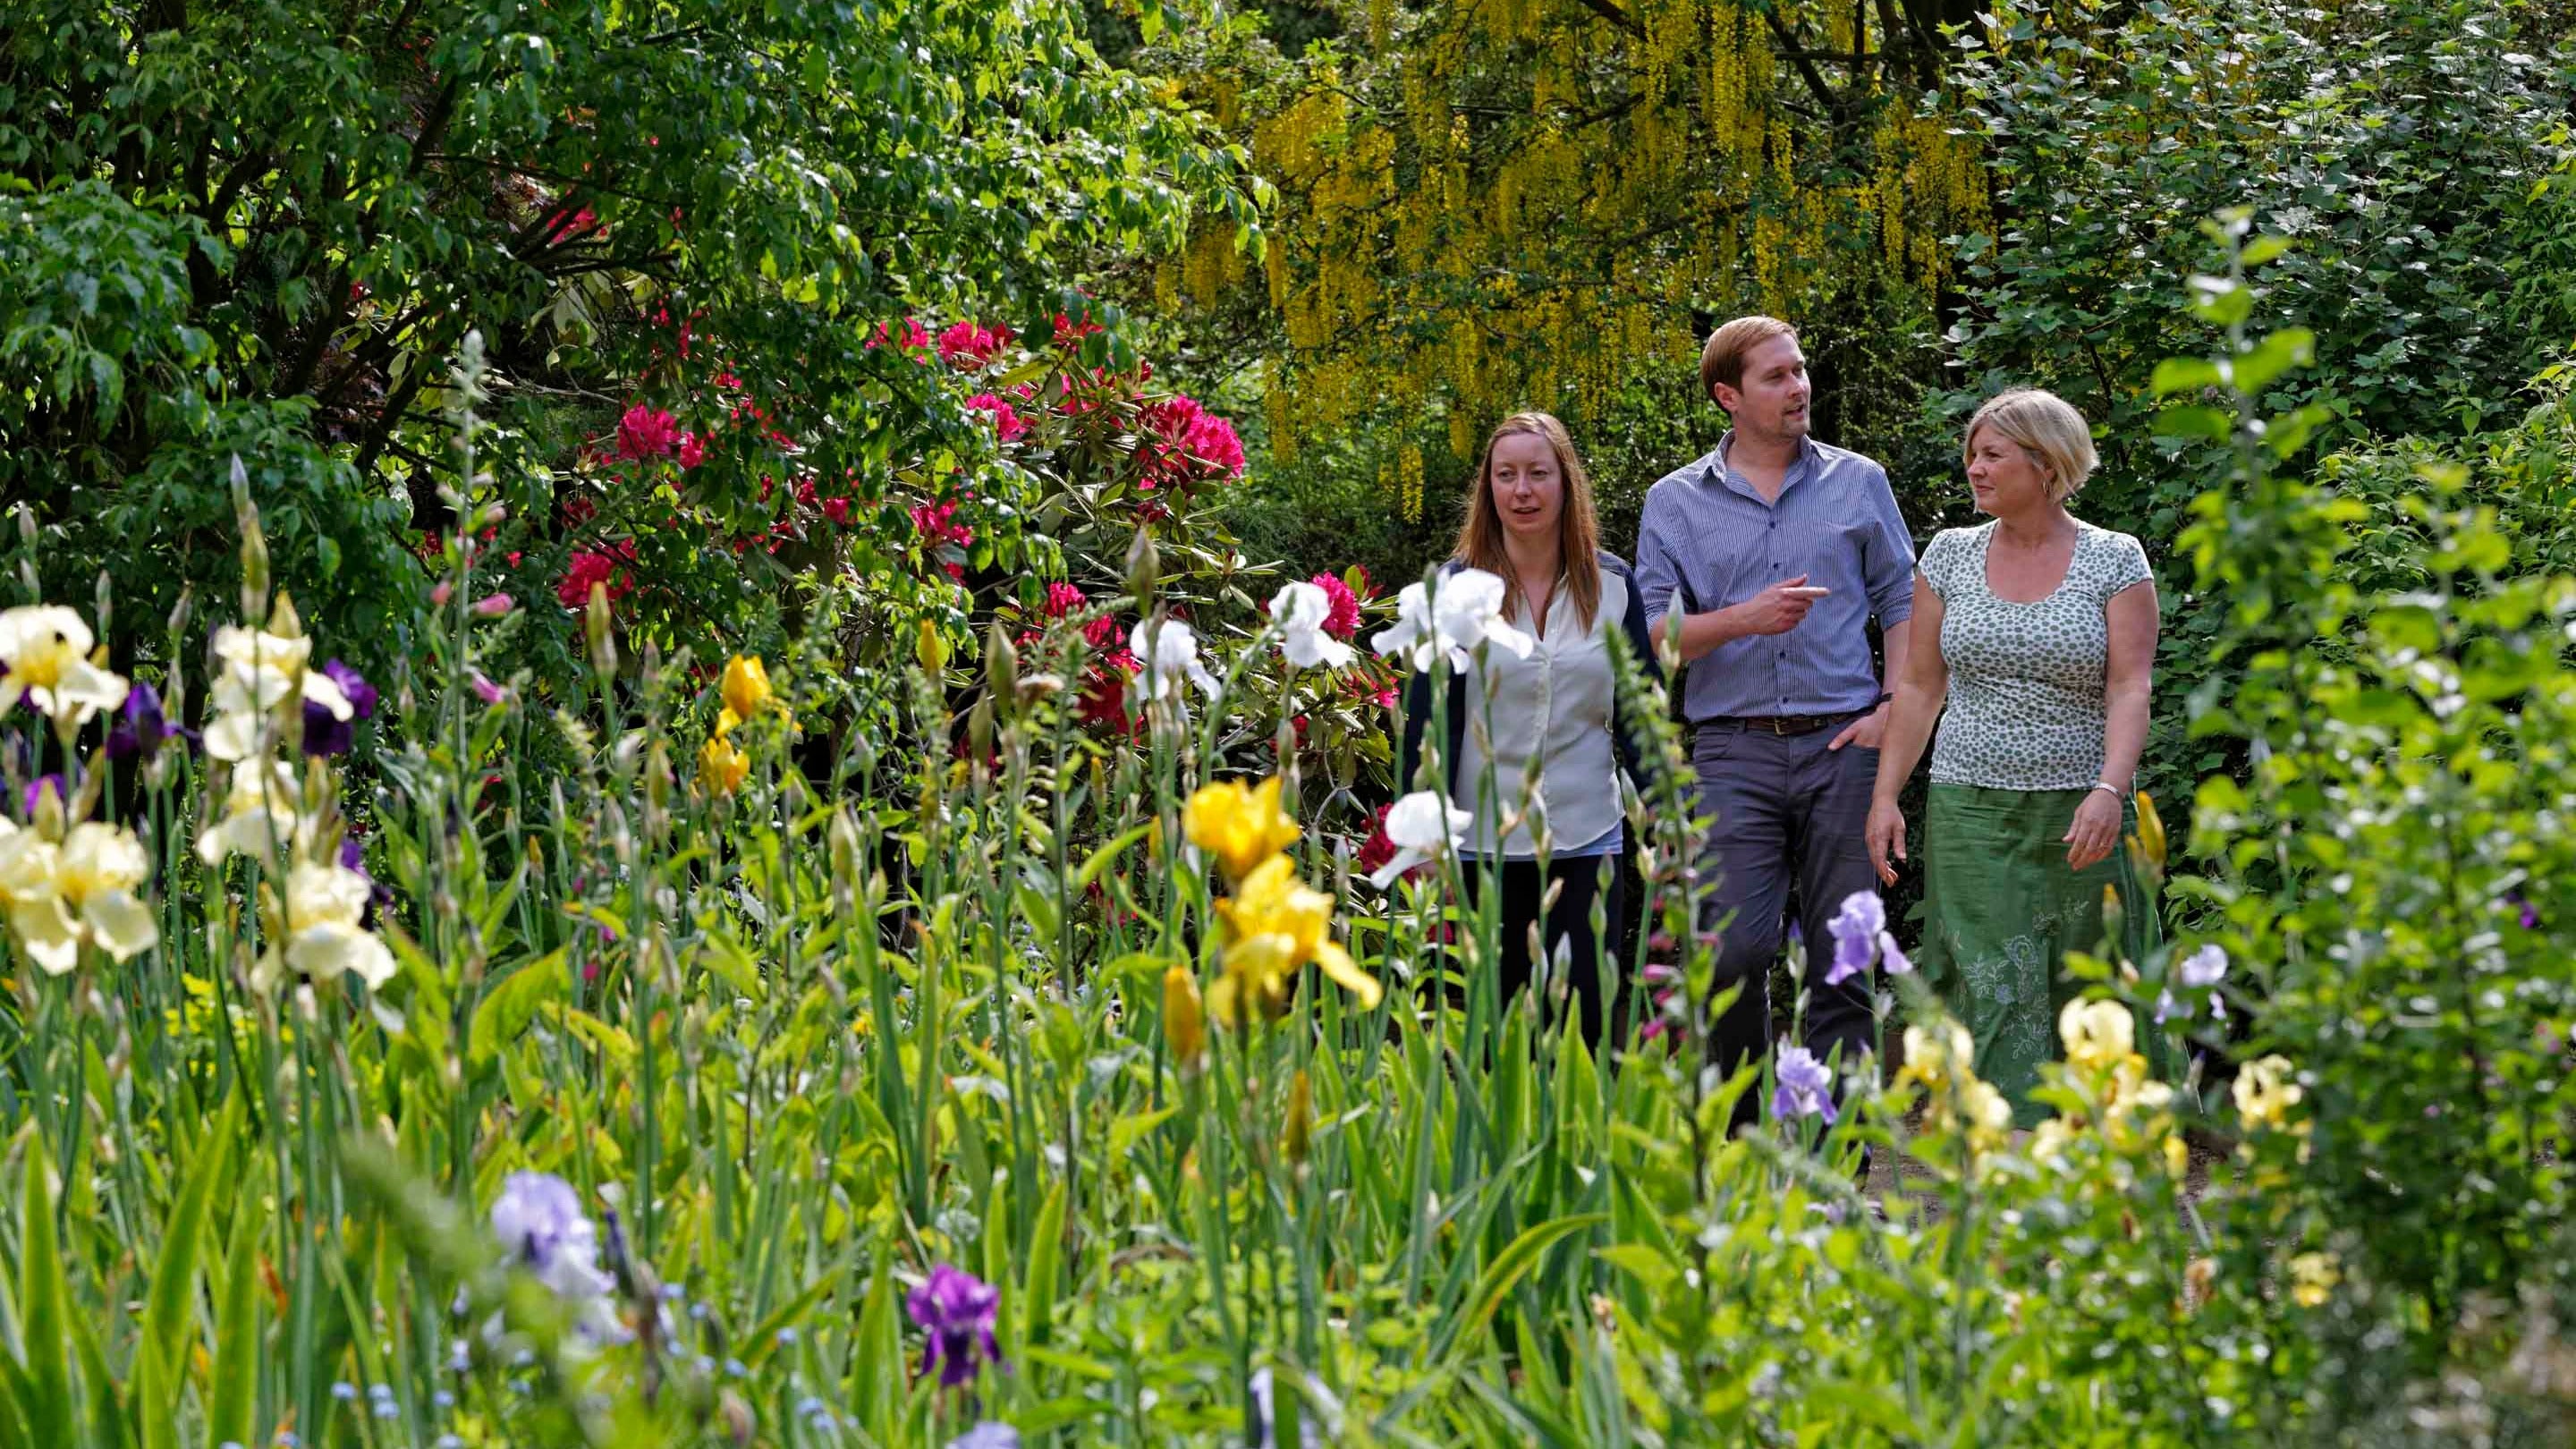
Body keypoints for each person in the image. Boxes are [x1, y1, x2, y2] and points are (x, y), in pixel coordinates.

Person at [1632, 317, 1916, 1119]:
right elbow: (1653, 634)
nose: (1799, 389)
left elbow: (1903, 601)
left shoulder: (1859, 481)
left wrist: (1892, 710)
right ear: (1728, 396)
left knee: (1843, 963)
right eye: (1776, 378)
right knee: (1731, 955)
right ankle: (1747, 1147)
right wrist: (1740, 620)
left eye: (1799, 372)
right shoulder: (1674, 501)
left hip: (1845, 743)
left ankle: (1837, 1168)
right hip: (1732, 750)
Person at [1865, 387, 2163, 1127]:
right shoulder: (1950, 556)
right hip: (1969, 806)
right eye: (1973, 453)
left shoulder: (2114, 559)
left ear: (2046, 462)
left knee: (2081, 978)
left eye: (1992, 454)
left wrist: (2109, 789)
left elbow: (2131, 686)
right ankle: (1994, 1137)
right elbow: (1919, 684)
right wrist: (1885, 796)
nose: (1974, 467)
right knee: (1987, 980)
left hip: (2080, 809)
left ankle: (2095, 1137)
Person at [1400, 411, 1660, 1046]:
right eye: (1506, 475)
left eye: (1538, 474)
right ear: (1488, 488)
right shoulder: (1454, 592)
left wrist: (1665, 816)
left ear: (1565, 484)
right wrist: (1422, 835)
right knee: (1490, 1032)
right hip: (1478, 843)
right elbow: (1427, 722)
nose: (1523, 491)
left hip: (1587, 835)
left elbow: (1640, 715)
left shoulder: (1615, 587)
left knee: (1583, 1026)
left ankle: (1577, 1146)